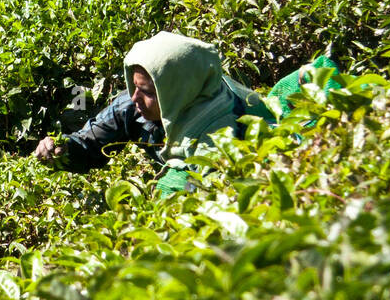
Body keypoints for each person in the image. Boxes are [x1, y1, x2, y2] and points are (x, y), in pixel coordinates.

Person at [34, 31, 271, 187]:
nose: (135, 97)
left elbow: (215, 190)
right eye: (134, 86)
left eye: (148, 92)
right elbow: (89, 144)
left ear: (175, 93)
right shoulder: (133, 104)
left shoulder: (224, 127)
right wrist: (63, 148)